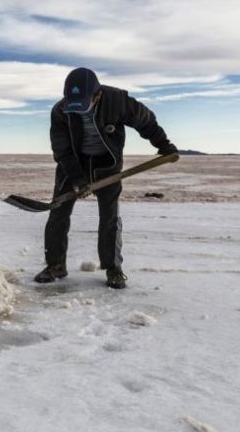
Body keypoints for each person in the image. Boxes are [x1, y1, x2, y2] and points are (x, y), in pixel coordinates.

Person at [35, 68, 177, 289]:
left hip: (107, 165)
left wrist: (163, 145)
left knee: (109, 217)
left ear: (97, 94)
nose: (79, 110)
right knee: (58, 213)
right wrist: (77, 178)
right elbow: (62, 150)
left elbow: (145, 121)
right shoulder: (60, 110)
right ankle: (55, 265)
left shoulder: (117, 101)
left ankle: (113, 268)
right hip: (73, 164)